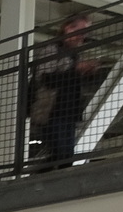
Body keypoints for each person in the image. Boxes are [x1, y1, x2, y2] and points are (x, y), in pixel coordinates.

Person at [31, 14, 98, 169]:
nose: (83, 36)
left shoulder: (73, 54)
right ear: (69, 28)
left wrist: (84, 72)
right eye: (81, 31)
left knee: (65, 154)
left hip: (67, 110)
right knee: (61, 153)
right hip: (53, 110)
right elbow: (46, 78)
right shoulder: (53, 50)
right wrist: (77, 70)